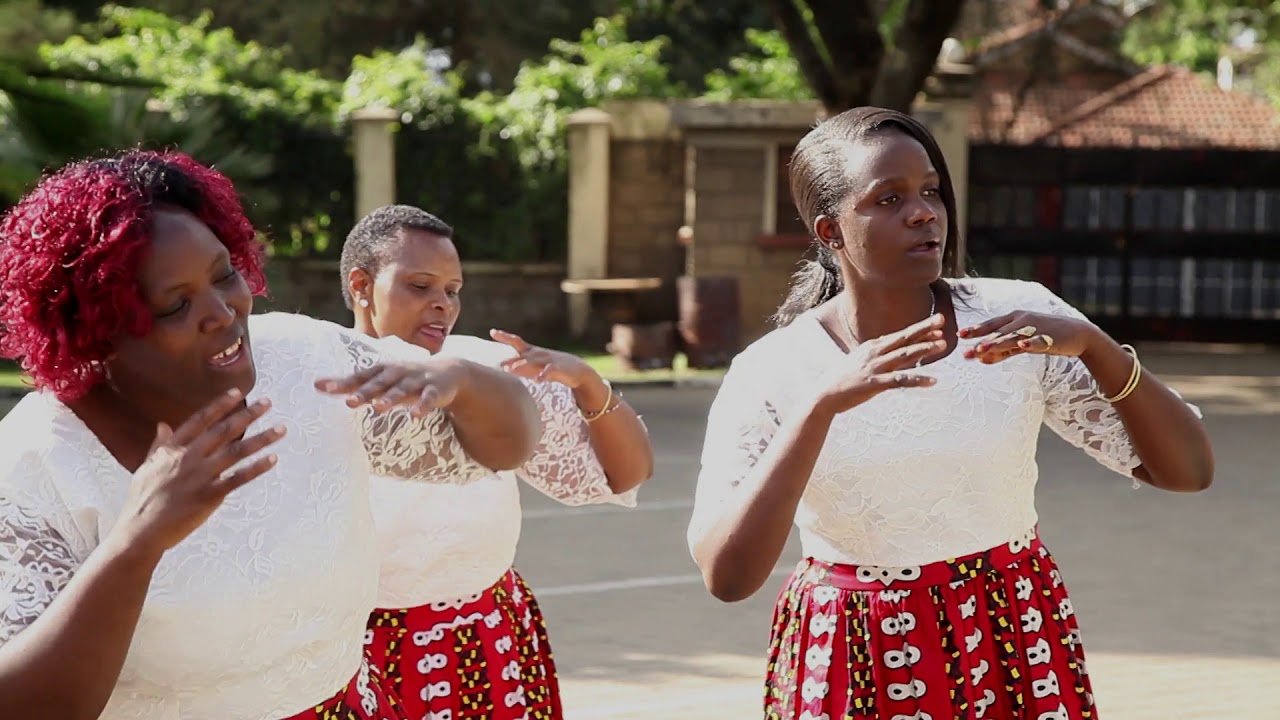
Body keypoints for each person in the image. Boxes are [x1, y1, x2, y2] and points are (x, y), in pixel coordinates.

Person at [687, 107, 1213, 720]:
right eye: (888, 198)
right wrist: (821, 408)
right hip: (856, 654)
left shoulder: (1017, 320)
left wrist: (1094, 345)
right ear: (830, 232)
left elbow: (1187, 470)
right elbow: (728, 578)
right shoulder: (773, 369)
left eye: (931, 191)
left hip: (1011, 633)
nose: (923, 212)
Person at [0, 151, 543, 720]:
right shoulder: (37, 467)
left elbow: (506, 445)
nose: (225, 311)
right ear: (96, 332)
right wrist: (136, 545)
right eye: (177, 305)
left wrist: (459, 378)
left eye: (223, 274)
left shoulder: (307, 363)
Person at [339, 204, 654, 719]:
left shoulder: (491, 369)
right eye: (421, 286)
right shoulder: (319, 377)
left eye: (452, 291)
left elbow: (627, 473)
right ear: (360, 285)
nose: (442, 304)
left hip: (488, 643)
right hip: (357, 657)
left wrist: (588, 383)